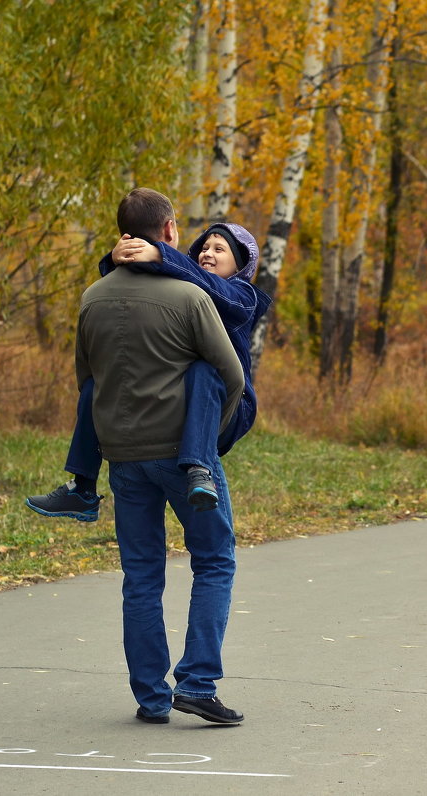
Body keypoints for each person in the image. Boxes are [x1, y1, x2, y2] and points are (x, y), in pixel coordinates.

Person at [66, 187, 248, 725]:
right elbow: (230, 375)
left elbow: (86, 379)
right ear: (169, 231)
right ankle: (197, 683)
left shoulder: (92, 297)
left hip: (123, 457)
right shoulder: (190, 298)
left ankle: (150, 698)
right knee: (214, 560)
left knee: (141, 575)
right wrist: (209, 443)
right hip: (184, 454)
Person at [26, 219, 270, 520]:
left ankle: (199, 466)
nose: (207, 253)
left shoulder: (245, 297)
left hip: (232, 404)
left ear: (241, 265)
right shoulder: (188, 286)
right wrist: (115, 260)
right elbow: (134, 289)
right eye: (204, 247)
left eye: (220, 249)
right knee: (94, 385)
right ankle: (82, 487)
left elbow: (213, 289)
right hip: (187, 402)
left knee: (203, 370)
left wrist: (162, 254)